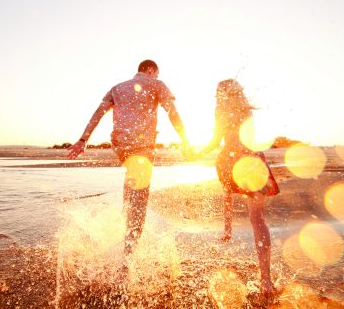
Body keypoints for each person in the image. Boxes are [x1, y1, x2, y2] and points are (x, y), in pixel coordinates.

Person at [67, 60, 192, 256]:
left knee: (131, 182)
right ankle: (128, 259)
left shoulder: (117, 88)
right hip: (141, 146)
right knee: (140, 200)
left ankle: (124, 220)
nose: (156, 77)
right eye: (156, 74)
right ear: (151, 70)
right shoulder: (156, 84)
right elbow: (172, 113)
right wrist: (185, 140)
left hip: (120, 146)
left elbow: (98, 114)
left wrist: (83, 140)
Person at [197, 78, 279, 304]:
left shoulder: (220, 109)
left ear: (221, 94)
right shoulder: (247, 111)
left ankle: (228, 227)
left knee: (228, 190)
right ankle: (266, 280)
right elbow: (250, 139)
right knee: (257, 219)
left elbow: (215, 141)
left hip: (230, 159)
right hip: (252, 160)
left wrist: (196, 152)